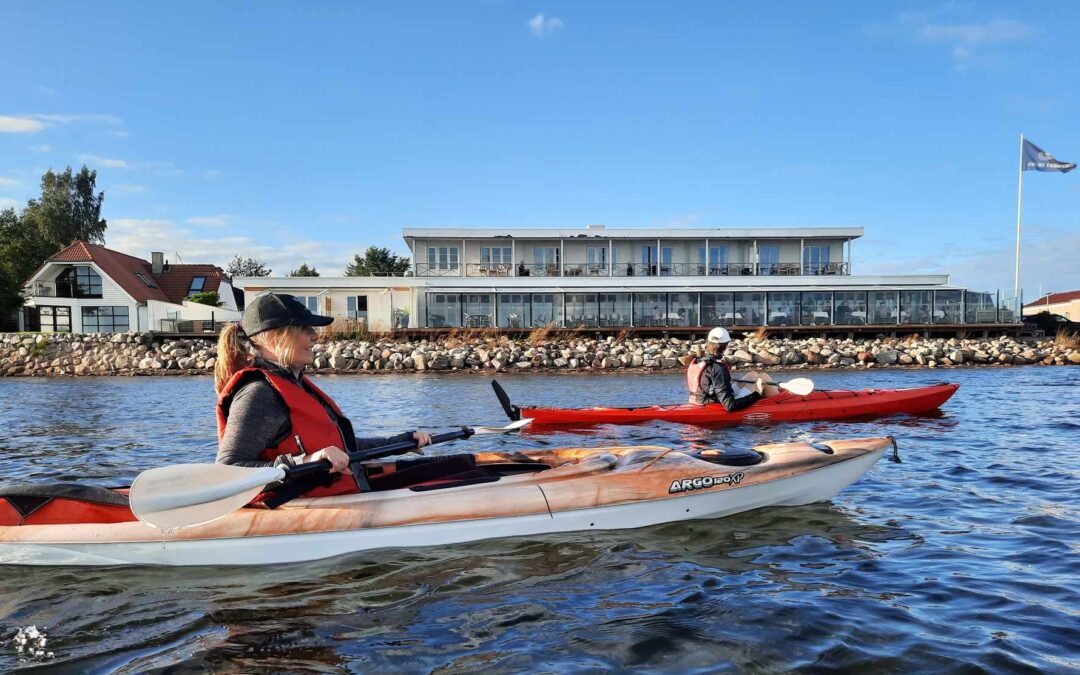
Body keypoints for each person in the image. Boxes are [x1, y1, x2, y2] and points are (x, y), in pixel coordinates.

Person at [214, 293, 431, 498]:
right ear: (272, 336)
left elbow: (343, 447)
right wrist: (307, 460)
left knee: (460, 465)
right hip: (299, 510)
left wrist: (401, 442)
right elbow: (228, 471)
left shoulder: (295, 384)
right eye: (304, 328)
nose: (314, 336)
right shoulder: (258, 394)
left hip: (343, 495)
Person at [686, 327, 768, 409]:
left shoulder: (699, 360)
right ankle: (773, 407)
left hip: (700, 400)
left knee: (752, 375)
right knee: (764, 379)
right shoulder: (717, 368)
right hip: (715, 404)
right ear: (726, 346)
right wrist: (757, 393)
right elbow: (730, 406)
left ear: (708, 343)